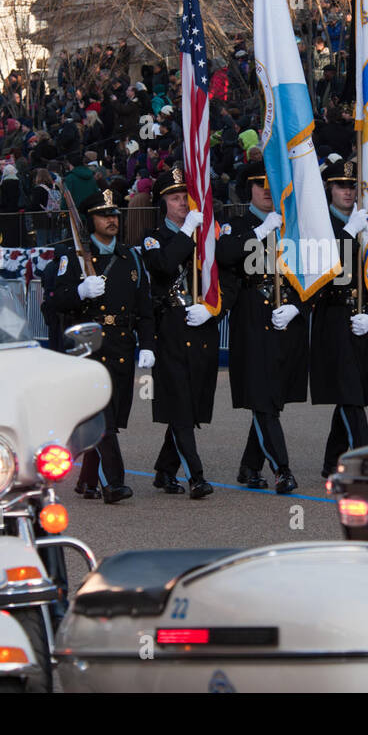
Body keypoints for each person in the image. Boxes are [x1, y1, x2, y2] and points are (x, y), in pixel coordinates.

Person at [38, 189, 151, 503]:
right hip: (87, 349)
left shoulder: (131, 257)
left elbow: (144, 307)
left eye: (115, 214)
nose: (112, 220)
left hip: (122, 346)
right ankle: (113, 483)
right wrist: (79, 291)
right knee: (103, 417)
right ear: (89, 221)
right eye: (104, 215)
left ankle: (85, 479)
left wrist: (147, 343)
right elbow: (52, 303)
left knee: (111, 415)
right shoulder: (69, 259)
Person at [215, 161, 306, 494]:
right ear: (248, 189)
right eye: (258, 182)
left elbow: (314, 273)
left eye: (271, 182)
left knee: (271, 397)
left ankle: (250, 466)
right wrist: (261, 230)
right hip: (253, 318)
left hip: (286, 320)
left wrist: (298, 306)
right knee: (263, 397)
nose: (266, 188)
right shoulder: (238, 225)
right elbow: (224, 254)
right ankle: (282, 469)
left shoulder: (292, 226)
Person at [138, 167, 216, 499]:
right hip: (168, 326)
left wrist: (213, 307)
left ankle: (164, 470)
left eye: (184, 196)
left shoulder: (201, 233)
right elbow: (166, 265)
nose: (182, 202)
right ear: (162, 203)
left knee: (190, 402)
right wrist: (186, 232)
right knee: (181, 404)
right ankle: (196, 476)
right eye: (174, 197)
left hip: (197, 325)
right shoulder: (153, 237)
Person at [308, 161, 368, 479]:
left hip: (365, 317)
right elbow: (326, 274)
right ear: (330, 189)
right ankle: (367, 466)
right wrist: (348, 234)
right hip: (336, 316)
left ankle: (331, 461)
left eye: (352, 186)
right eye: (341, 186)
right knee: (351, 394)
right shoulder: (318, 223)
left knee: (354, 394)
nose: (348, 191)